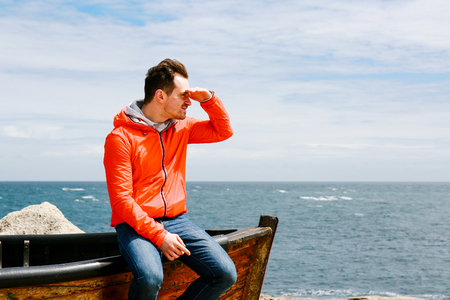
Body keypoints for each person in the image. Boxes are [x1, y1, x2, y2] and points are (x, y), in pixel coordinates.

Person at [103, 58, 237, 300]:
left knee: (225, 274)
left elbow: (223, 131)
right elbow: (121, 200)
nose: (189, 102)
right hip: (134, 225)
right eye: (183, 95)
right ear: (160, 96)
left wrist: (208, 99)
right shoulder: (120, 137)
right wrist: (160, 235)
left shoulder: (182, 126)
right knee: (151, 278)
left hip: (177, 221)